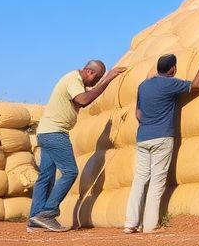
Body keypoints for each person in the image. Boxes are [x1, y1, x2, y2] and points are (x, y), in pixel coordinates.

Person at [123, 45, 199, 234]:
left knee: (140, 180)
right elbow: (197, 86)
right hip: (162, 137)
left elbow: (138, 113)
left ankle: (130, 223)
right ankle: (150, 225)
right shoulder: (170, 83)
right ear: (173, 69)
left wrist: (149, 122)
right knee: (157, 180)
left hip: (143, 137)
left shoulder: (143, 86)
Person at [28, 60, 127, 232]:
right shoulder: (74, 79)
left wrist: (104, 80)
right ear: (90, 72)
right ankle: (48, 213)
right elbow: (83, 100)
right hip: (55, 133)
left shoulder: (73, 79)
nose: (92, 85)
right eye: (96, 80)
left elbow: (84, 96)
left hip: (46, 132)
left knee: (46, 176)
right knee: (70, 171)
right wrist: (108, 79)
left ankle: (35, 219)